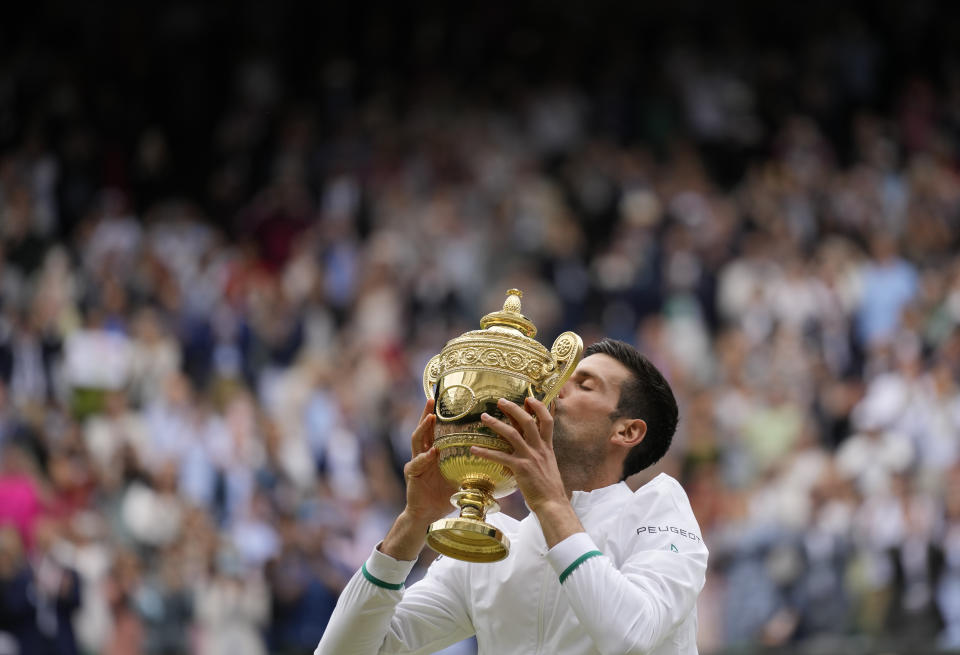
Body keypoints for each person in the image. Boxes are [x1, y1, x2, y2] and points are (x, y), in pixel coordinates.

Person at [315, 338, 708, 655]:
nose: (553, 388)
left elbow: (630, 636)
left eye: (583, 384)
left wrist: (552, 504)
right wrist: (414, 521)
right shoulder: (493, 546)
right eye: (560, 376)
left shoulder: (659, 508)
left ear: (626, 432)